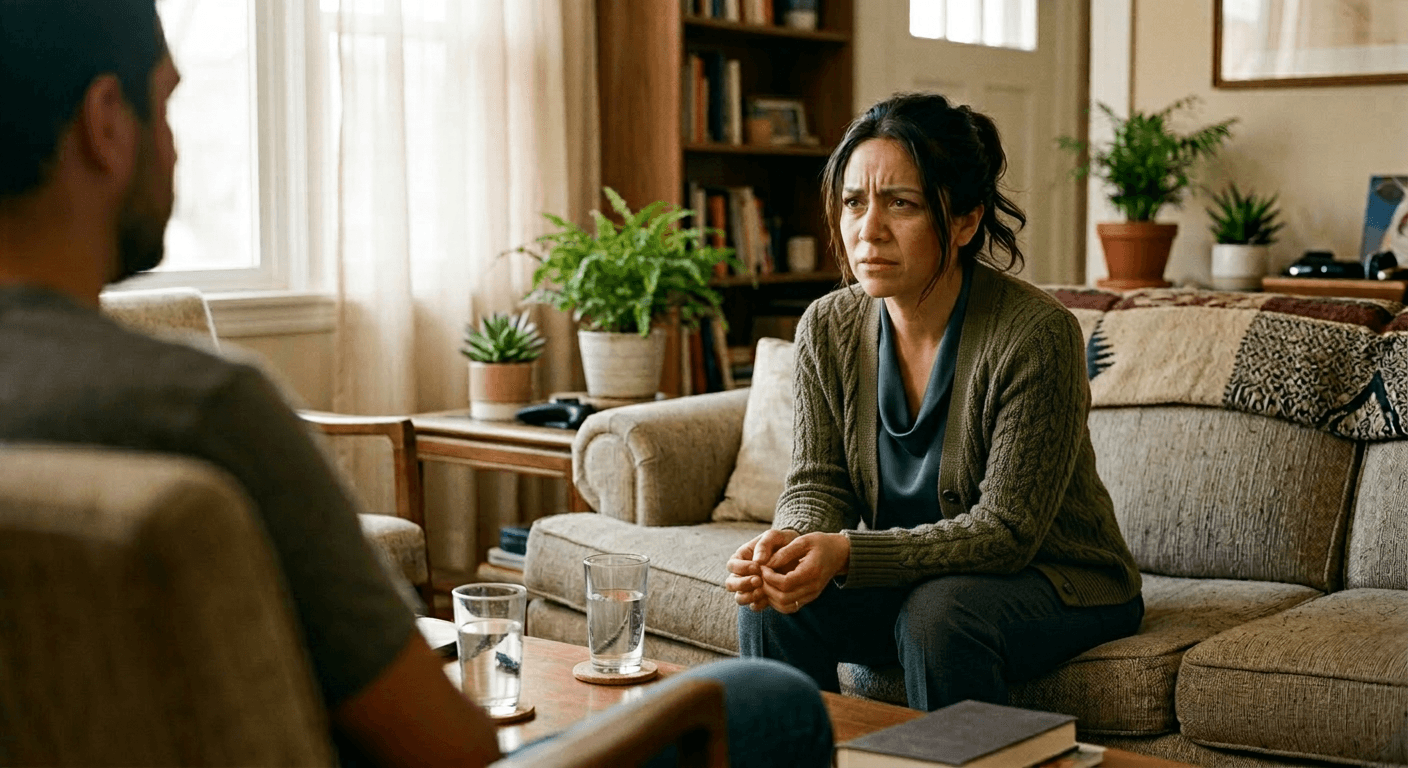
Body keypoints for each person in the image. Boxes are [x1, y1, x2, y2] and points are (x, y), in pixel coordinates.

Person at [0, 2, 831, 766]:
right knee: (770, 701)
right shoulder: (204, 412)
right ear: (107, 124)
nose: (176, 148)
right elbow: (448, 750)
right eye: (168, 107)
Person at [724, 92, 1145, 712]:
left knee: (938, 618)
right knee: (775, 607)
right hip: (925, 575)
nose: (869, 230)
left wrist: (848, 553)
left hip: (1060, 579)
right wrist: (787, 547)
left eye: (902, 203)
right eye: (853, 202)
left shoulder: (1036, 334)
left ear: (965, 220)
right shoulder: (826, 326)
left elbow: (1007, 533)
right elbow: (818, 481)